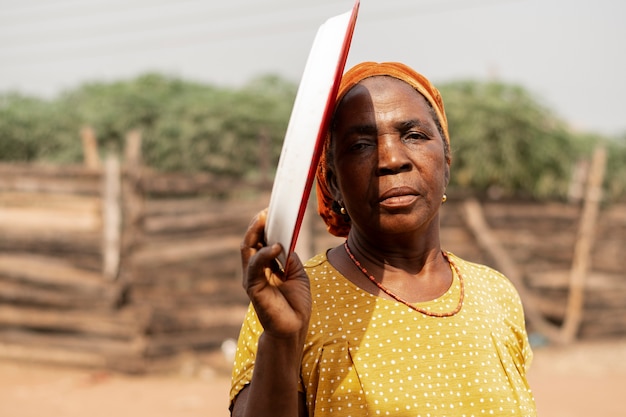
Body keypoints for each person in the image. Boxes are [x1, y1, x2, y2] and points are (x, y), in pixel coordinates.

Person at [230, 62, 537, 417]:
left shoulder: (495, 294)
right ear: (332, 182)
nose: (391, 159)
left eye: (414, 136)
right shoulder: (294, 300)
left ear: (447, 160)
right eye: (361, 145)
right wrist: (282, 340)